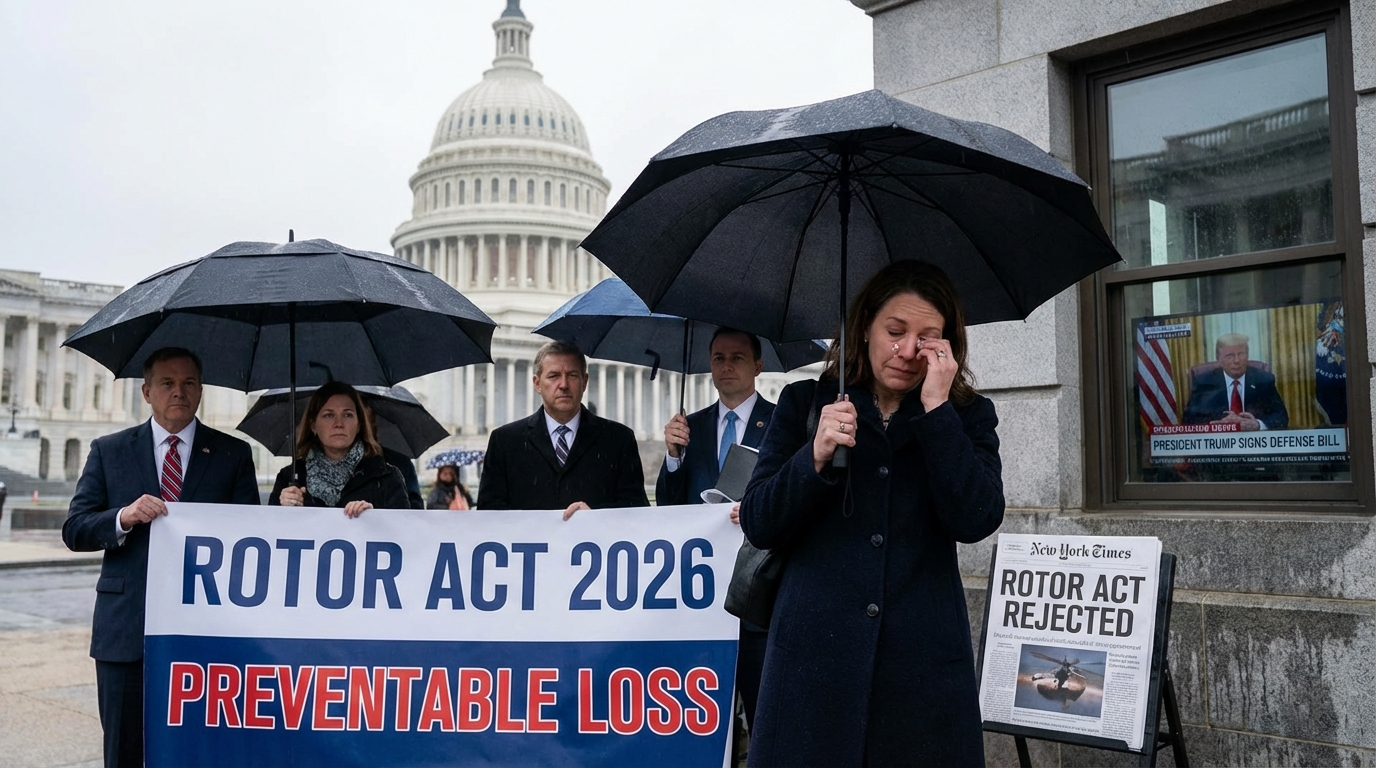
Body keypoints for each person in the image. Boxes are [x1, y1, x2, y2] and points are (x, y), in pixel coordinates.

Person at [740, 261, 1005, 767]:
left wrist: (937, 413)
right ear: (864, 330)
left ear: (948, 345)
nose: (907, 351)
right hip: (812, 666)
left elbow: (976, 518)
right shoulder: (804, 404)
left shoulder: (966, 414)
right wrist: (812, 456)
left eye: (927, 338)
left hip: (919, 673)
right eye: (895, 331)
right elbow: (759, 521)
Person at [62, 347, 259, 768]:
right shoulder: (109, 450)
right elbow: (75, 529)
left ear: (201, 391)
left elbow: (249, 538)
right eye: (167, 383)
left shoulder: (231, 454)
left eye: (189, 383)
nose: (179, 393)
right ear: (146, 391)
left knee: (201, 753)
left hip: (207, 634)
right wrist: (123, 517)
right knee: (124, 752)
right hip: (126, 632)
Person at [656, 327, 774, 740]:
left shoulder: (782, 423)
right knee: (705, 723)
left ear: (758, 366)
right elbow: (668, 507)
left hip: (760, 591)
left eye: (737, 357)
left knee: (762, 716)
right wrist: (672, 458)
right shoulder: (690, 427)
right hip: (701, 596)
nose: (726, 366)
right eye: (719, 358)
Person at [478, 340, 648, 516]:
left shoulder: (618, 440)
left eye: (572, 375)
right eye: (554, 376)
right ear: (537, 383)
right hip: (531, 543)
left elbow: (636, 508)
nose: (564, 385)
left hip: (592, 542)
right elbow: (488, 512)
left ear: (585, 381)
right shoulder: (505, 441)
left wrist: (596, 516)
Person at [269, 381, 409, 513]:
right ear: (313, 425)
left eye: (347, 415)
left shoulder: (386, 477)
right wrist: (283, 510)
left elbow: (404, 531)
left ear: (359, 425)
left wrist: (374, 517)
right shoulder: (289, 477)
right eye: (329, 415)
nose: (339, 423)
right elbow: (270, 530)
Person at [1182, 332, 1288, 430]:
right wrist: (1215, 425)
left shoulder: (1263, 380)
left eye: (1241, 354)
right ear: (1219, 359)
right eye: (1230, 356)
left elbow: (1281, 417)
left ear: (1247, 355)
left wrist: (1258, 424)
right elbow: (1188, 421)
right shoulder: (1204, 382)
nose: (1236, 361)